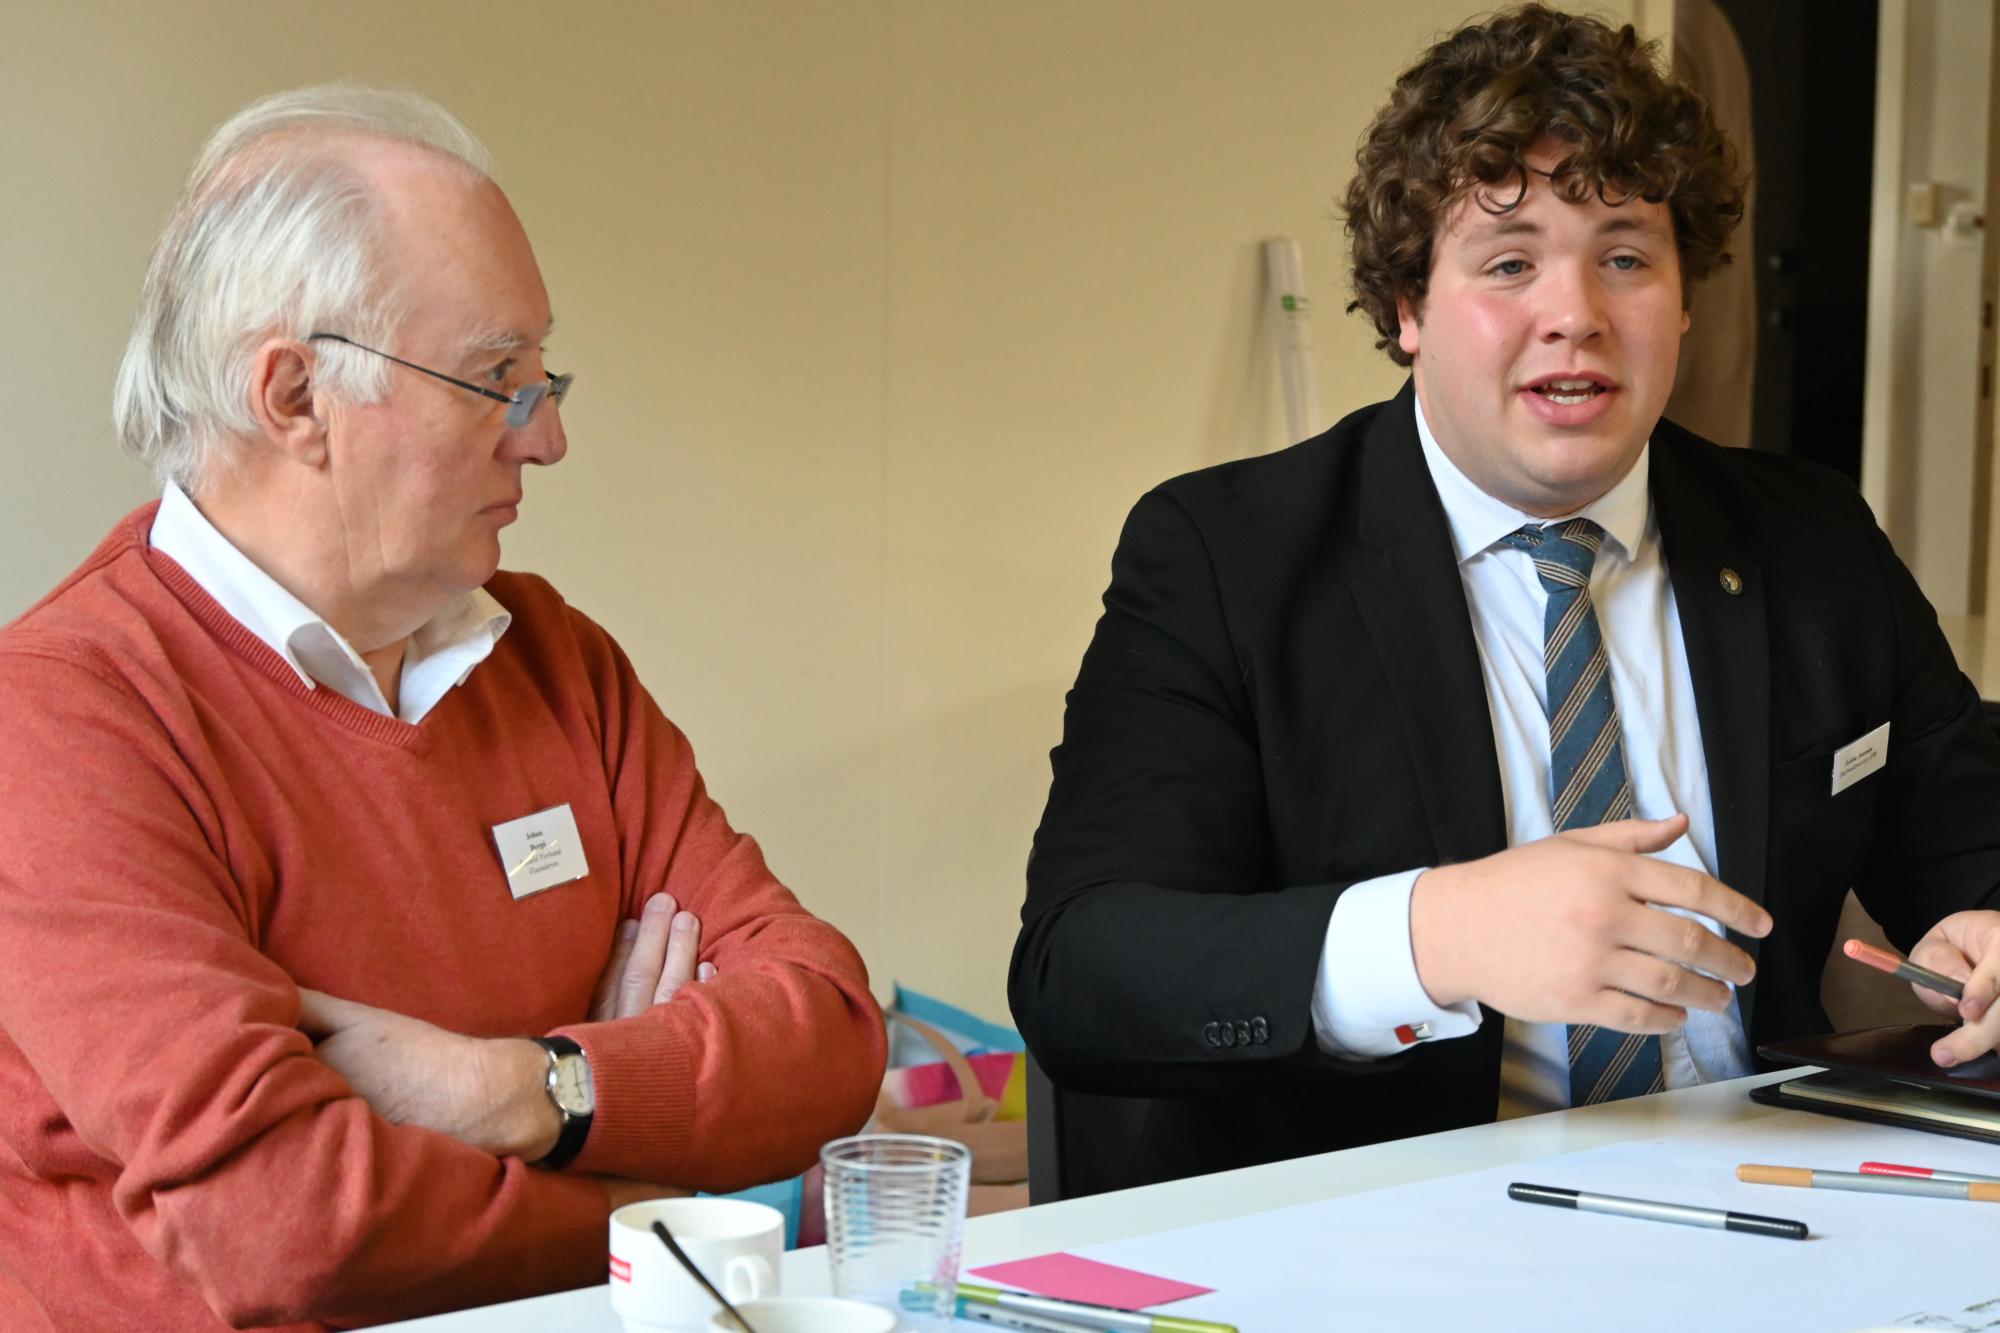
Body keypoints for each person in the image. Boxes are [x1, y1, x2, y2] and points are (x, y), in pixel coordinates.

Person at [1011, 4, 2000, 1193]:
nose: (1573, 312)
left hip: (1766, 1202)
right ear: (1407, 308)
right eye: (1509, 260)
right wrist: (1440, 934)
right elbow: (1084, 969)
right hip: (1384, 1234)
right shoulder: (1224, 554)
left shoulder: (1806, 538)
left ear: (1683, 298)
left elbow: (1968, 845)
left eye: (1625, 256)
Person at [0, 86, 885, 1330]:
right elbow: (288, 1229)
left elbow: (832, 1031)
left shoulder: (553, 657)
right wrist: (658, 1179)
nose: (550, 436)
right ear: (295, 397)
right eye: (496, 378)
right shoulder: (60, 718)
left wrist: (521, 1089)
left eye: (543, 370)